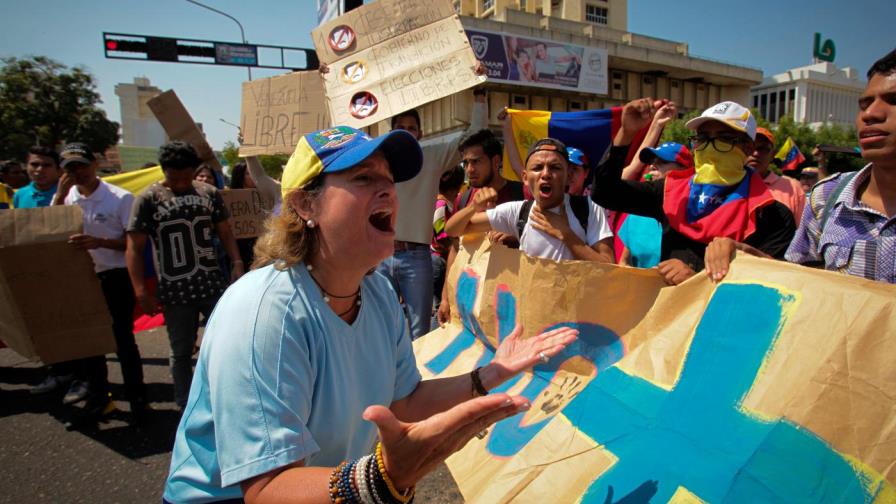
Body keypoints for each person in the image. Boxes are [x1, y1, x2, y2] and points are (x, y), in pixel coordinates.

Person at [162, 125, 578, 503]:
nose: (389, 193)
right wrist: (383, 478)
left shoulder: (377, 291)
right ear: (306, 204)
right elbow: (267, 490)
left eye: (389, 180)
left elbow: (405, 401)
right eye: (364, 178)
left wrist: (489, 374)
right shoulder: (263, 312)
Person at [592, 99, 796, 285]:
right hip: (672, 309)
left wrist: (697, 279)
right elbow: (605, 193)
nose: (710, 146)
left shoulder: (772, 214)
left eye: (724, 138)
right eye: (703, 138)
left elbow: (776, 284)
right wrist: (626, 133)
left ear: (748, 147)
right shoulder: (670, 192)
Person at [126, 141, 244, 409]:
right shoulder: (148, 199)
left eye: (186, 176)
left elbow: (225, 231)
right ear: (163, 170)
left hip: (211, 284)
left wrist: (236, 262)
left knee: (225, 342)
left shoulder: (209, 193)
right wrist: (140, 291)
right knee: (180, 350)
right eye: (174, 177)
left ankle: (227, 394)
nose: (180, 183)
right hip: (175, 290)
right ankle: (185, 402)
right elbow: (134, 247)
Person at [377, 84, 487, 340]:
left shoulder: (432, 156)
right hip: (379, 254)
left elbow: (475, 136)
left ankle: (416, 369)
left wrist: (480, 96)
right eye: (400, 127)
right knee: (379, 328)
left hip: (417, 257)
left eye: (411, 128)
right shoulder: (377, 160)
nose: (406, 132)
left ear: (420, 133)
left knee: (420, 333)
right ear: (392, 132)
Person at [777, 49, 896, 284]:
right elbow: (798, 282)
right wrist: (749, 260)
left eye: (893, 101)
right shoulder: (826, 196)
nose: (870, 114)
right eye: (865, 104)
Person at [52, 142, 148, 421]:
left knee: (122, 340)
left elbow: (133, 245)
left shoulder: (120, 199)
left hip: (114, 276)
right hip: (82, 278)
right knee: (91, 343)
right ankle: (99, 399)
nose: (78, 173)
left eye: (82, 166)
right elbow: (50, 231)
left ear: (94, 164)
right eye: (71, 168)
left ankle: (138, 400)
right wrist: (59, 196)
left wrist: (99, 242)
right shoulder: (66, 199)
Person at [452, 137, 614, 262]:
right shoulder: (517, 212)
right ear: (525, 177)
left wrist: (566, 234)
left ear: (568, 176)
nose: (546, 174)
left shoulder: (590, 209)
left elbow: (608, 266)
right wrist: (473, 207)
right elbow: (453, 230)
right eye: (537, 168)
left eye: (555, 167)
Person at [440, 129, 525, 324]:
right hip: (471, 303)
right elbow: (455, 249)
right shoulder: (463, 200)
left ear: (496, 161)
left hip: (512, 303)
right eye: (466, 163)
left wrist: (515, 236)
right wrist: (445, 298)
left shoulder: (521, 194)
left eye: (476, 162)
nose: (469, 169)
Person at [617, 142, 693, 268]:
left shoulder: (696, 212)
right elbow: (624, 262)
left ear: (685, 170)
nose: (652, 166)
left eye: (662, 162)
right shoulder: (636, 214)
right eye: (652, 162)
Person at [747, 127, 806, 223]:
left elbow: (802, 229)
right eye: (750, 147)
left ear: (772, 155)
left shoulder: (793, 188)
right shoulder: (728, 185)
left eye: (763, 149)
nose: (755, 153)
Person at [431, 165, 465, 330]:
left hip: (439, 261)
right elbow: (440, 235)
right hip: (438, 260)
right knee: (439, 307)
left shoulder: (446, 204)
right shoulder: (441, 205)